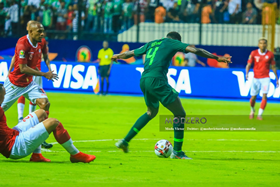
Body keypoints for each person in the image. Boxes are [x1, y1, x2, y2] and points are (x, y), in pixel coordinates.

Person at [112, 31, 231, 159]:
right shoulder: (172, 43)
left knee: (151, 112)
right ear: (176, 40)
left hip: (144, 80)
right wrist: (216, 58)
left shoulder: (152, 43)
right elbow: (195, 50)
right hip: (157, 80)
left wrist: (118, 56)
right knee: (180, 114)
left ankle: (125, 141)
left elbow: (130, 53)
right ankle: (177, 153)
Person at [1, 21, 58, 161]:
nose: (42, 34)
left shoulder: (41, 42)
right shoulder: (22, 44)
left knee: (45, 104)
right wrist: (45, 74)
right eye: (39, 31)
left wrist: (48, 68)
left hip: (29, 83)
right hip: (14, 84)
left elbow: (45, 56)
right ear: (30, 32)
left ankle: (37, 153)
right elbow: (23, 68)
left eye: (43, 31)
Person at [0, 84, 96, 163]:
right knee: (54, 122)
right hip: (14, 147)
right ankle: (75, 154)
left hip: (13, 134)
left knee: (42, 112)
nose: (5, 97)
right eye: (3, 94)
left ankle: (36, 155)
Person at [246, 37, 278, 120]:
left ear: (266, 45)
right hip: (256, 78)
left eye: (264, 43)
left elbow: (273, 66)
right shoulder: (253, 53)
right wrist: (246, 74)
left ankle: (259, 115)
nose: (263, 45)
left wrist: (277, 78)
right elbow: (249, 64)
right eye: (261, 43)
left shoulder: (270, 54)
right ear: (258, 45)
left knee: (264, 95)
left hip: (265, 78)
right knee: (253, 97)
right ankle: (252, 110)